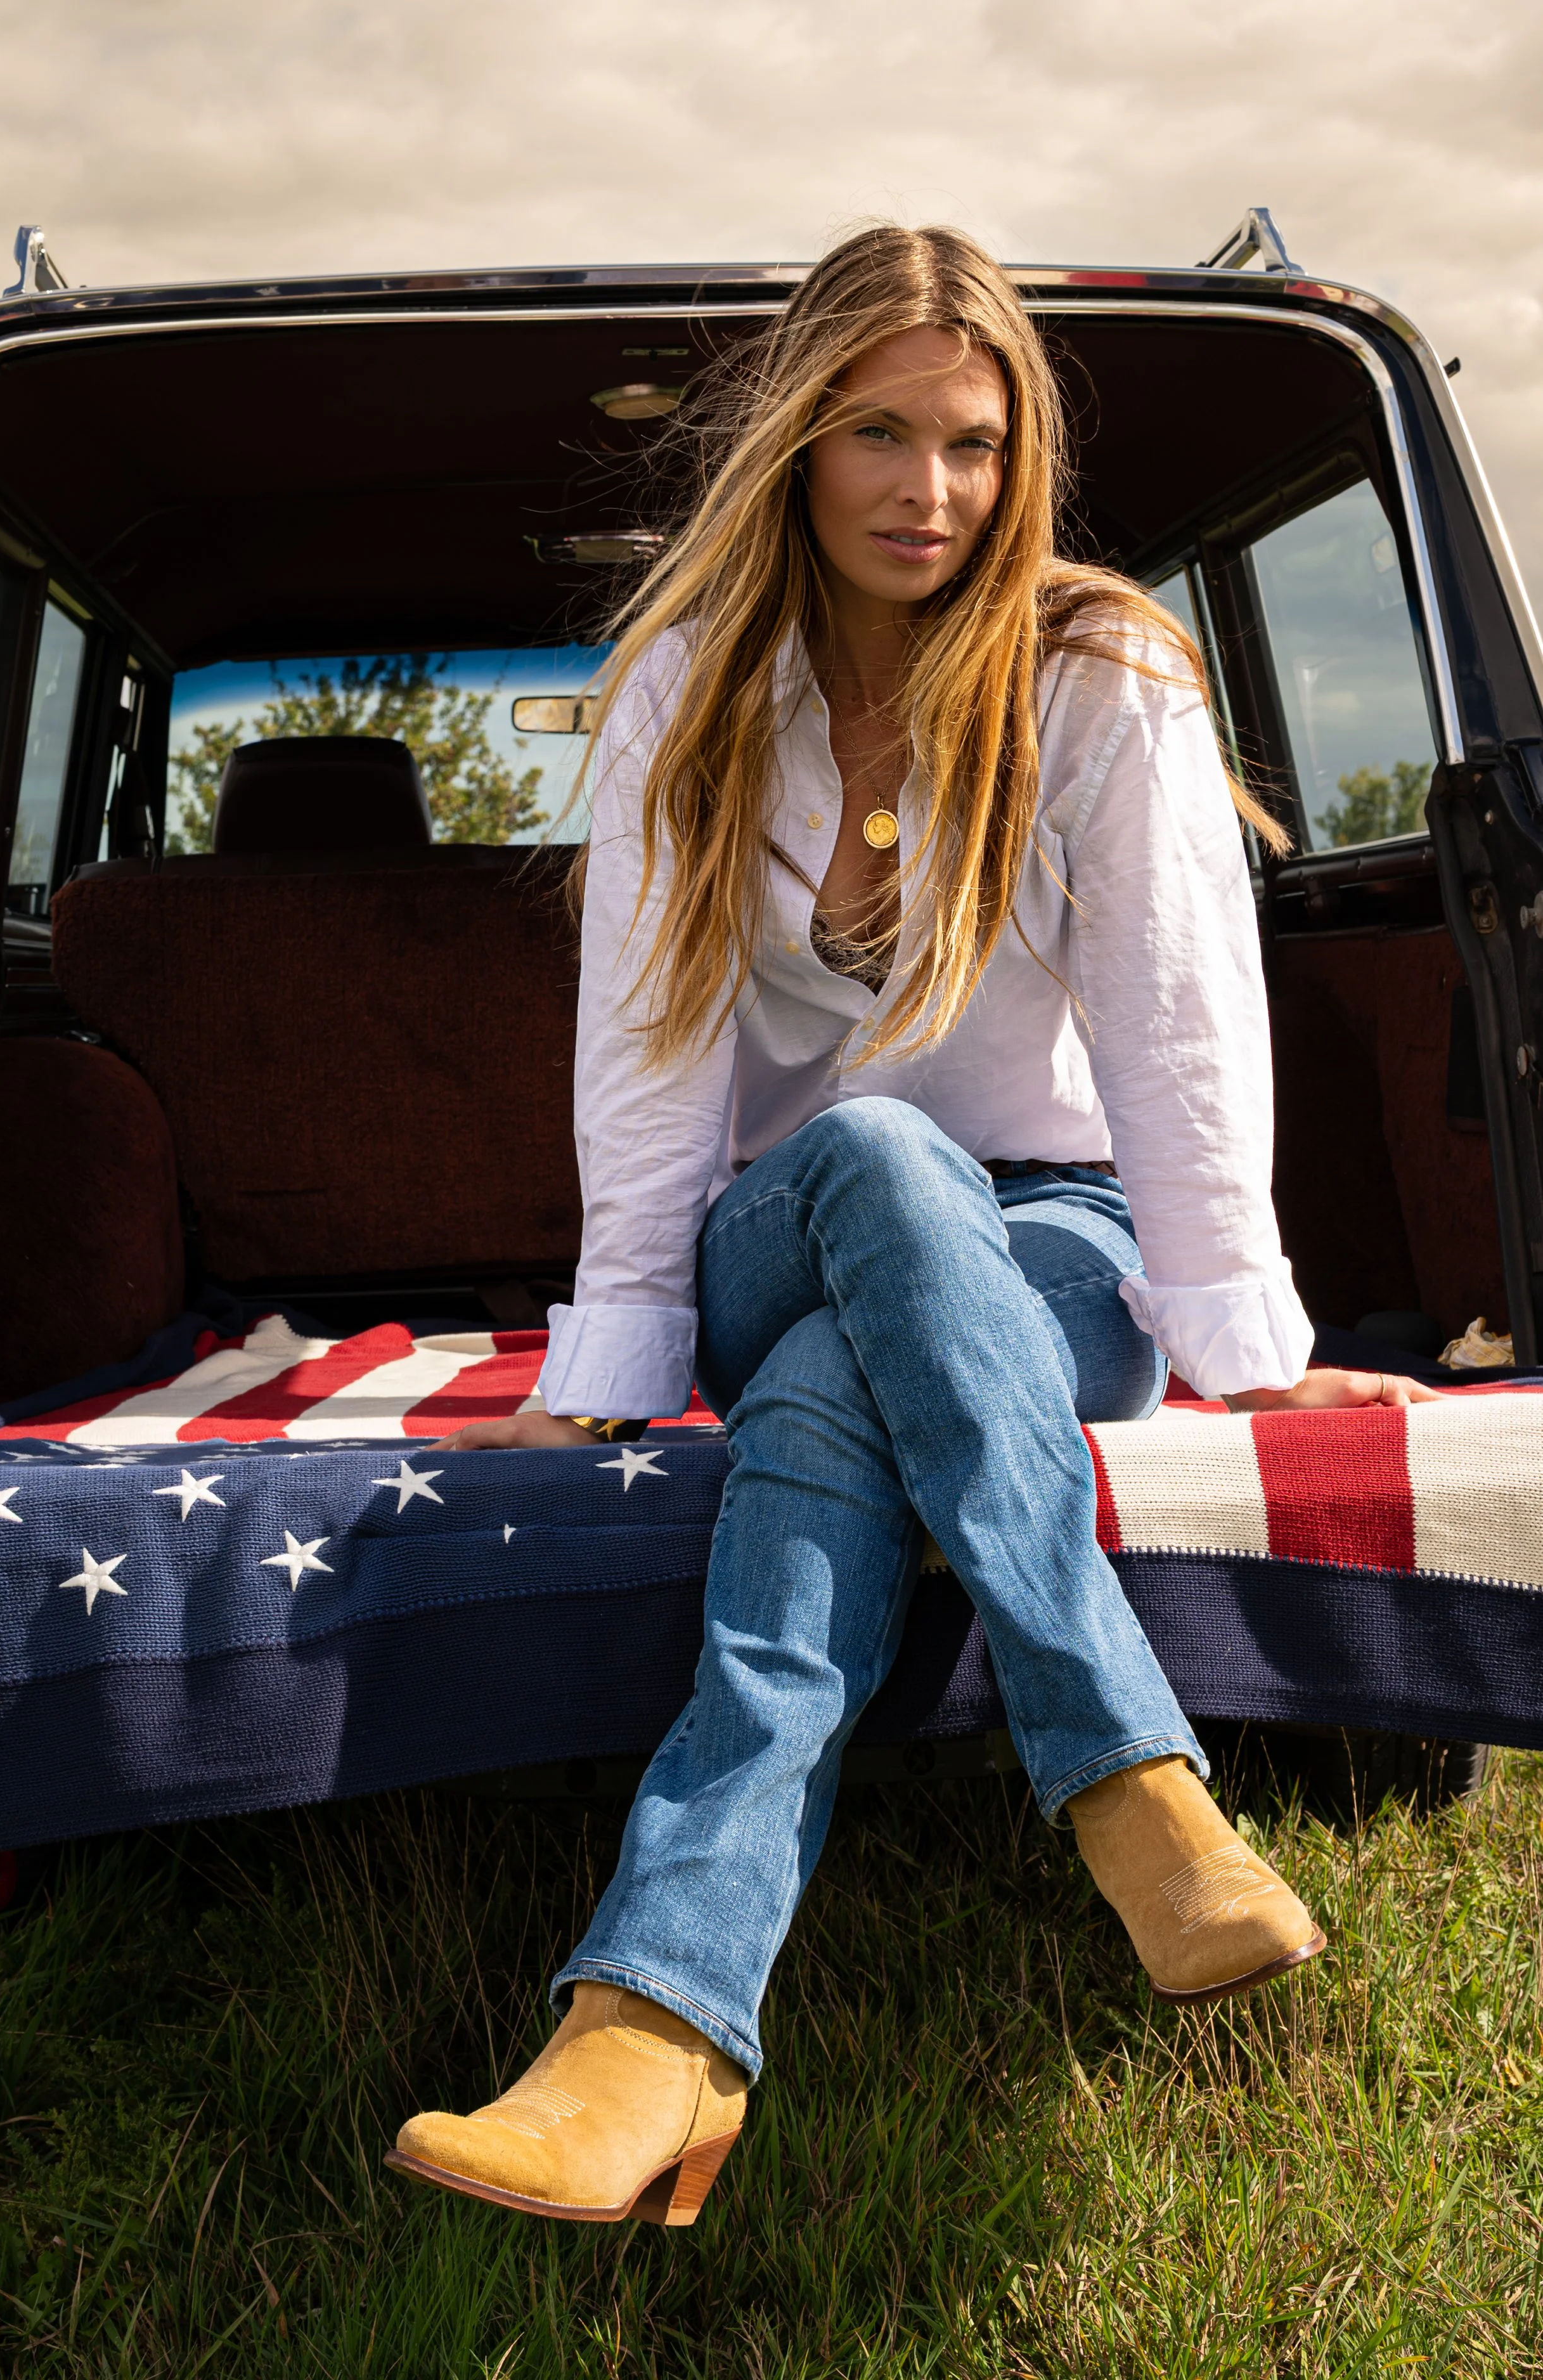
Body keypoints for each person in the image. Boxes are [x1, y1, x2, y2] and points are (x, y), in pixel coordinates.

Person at [385, 224, 1438, 2228]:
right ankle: (1127, 1774)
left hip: (1053, 1238)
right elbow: (649, 1044)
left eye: (968, 441)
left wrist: (1246, 1351)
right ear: (793, 437)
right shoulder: (689, 686)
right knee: (872, 1160)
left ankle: (650, 2031)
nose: (925, 490)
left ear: (1017, 452)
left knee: (824, 1429)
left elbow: (1175, 1022)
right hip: (786, 1221)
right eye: (874, 431)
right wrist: (609, 1362)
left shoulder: (1096, 666)